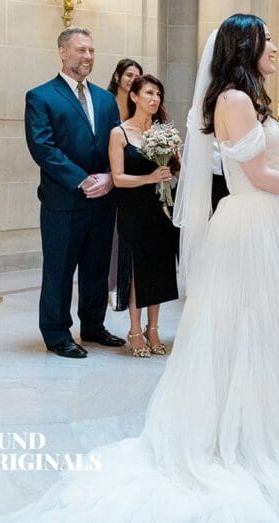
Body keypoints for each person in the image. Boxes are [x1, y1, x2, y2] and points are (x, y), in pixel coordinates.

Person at [10, 14, 279, 521]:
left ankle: (270, 427)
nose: (276, 48)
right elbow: (260, 175)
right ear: (246, 46)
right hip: (249, 224)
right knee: (245, 332)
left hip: (267, 222)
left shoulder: (248, 97)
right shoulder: (233, 100)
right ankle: (239, 436)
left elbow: (277, 166)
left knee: (269, 330)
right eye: (267, 40)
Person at [23, 27, 125, 358]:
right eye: (81, 50)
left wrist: (110, 177)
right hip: (64, 201)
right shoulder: (41, 96)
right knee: (60, 271)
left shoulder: (106, 99)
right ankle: (56, 334)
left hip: (103, 199)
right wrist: (82, 180)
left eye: (91, 51)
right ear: (63, 52)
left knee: (96, 269)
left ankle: (94, 326)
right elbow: (43, 147)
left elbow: (116, 143)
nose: (88, 56)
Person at [108, 74, 179, 358]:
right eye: (149, 93)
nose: (155, 98)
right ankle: (135, 330)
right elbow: (117, 178)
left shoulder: (163, 132)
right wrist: (150, 178)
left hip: (160, 209)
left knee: (158, 269)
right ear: (134, 96)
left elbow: (177, 168)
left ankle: (154, 329)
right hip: (133, 209)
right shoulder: (120, 133)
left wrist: (173, 170)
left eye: (158, 94)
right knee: (138, 270)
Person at [106, 58, 144, 307]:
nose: (132, 80)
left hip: (131, 178)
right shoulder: (106, 103)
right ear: (117, 76)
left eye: (137, 76)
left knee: (124, 236)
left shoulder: (138, 105)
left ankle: (122, 284)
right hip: (108, 173)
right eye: (129, 75)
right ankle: (110, 285)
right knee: (109, 236)